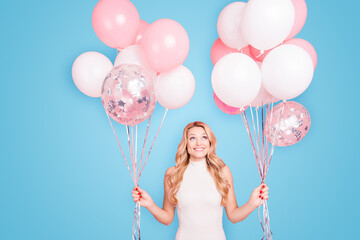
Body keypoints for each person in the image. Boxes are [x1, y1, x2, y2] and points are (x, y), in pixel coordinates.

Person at [131, 121, 269, 240]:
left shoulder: (222, 171)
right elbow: (167, 218)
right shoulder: (172, 174)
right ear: (186, 144)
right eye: (192, 138)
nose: (199, 143)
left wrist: (252, 203)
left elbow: (233, 215)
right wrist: (149, 204)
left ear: (210, 142)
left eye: (204, 137)